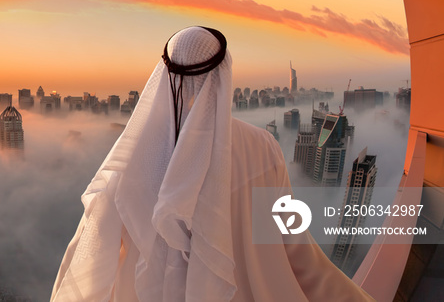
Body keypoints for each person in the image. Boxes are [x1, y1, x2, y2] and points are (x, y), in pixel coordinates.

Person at [50, 26, 374, 301]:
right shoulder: (262, 147)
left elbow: (91, 253)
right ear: (224, 75)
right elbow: (297, 249)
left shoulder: (134, 156)